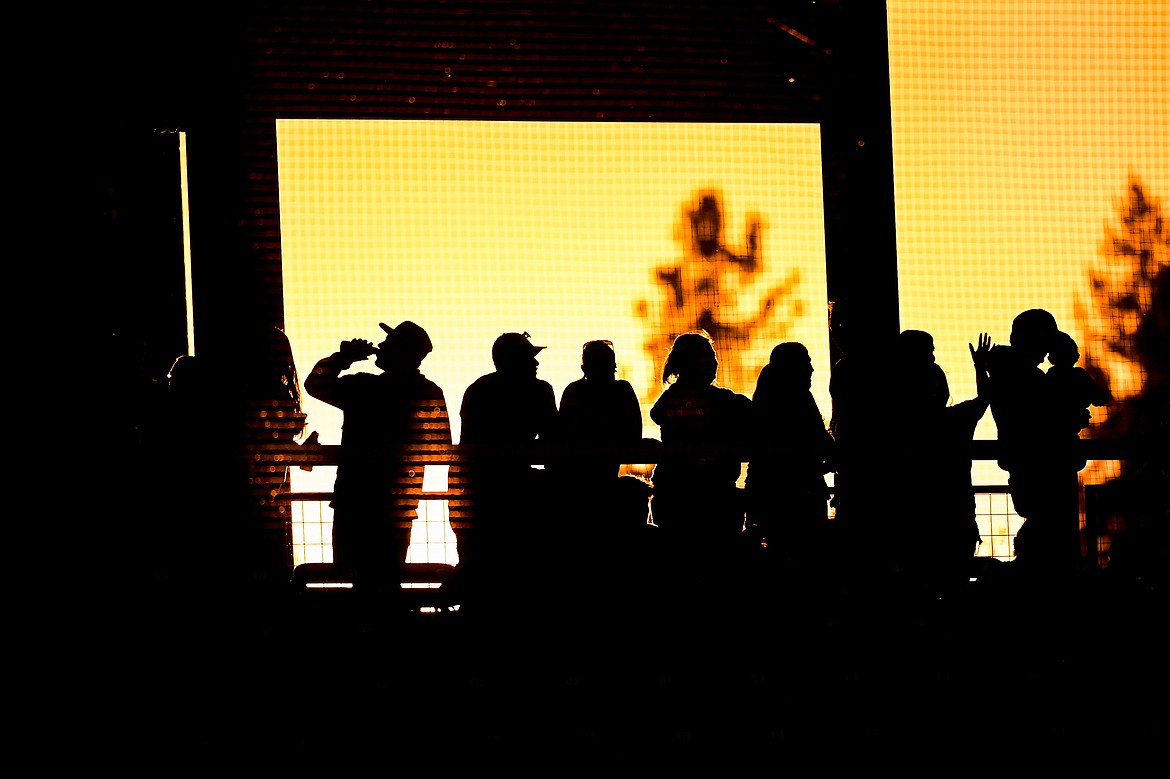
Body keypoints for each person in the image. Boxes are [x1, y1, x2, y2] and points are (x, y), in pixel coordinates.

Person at [303, 321, 451, 612]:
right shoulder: (428, 392)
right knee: (385, 578)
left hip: (354, 501)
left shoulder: (363, 387)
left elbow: (315, 384)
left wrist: (343, 357)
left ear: (402, 352)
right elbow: (441, 446)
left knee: (358, 579)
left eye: (389, 343)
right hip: (397, 506)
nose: (380, 347)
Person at [456, 331, 558, 616]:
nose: (535, 364)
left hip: (481, 491)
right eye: (529, 358)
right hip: (506, 492)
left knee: (485, 566)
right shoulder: (539, 391)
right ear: (514, 361)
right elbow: (553, 437)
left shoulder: (479, 389)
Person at [649, 331, 753, 600]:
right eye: (707, 357)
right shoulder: (725, 401)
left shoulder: (669, 401)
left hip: (675, 496)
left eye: (713, 356)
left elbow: (657, 413)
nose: (714, 362)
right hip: (711, 500)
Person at [547, 339, 645, 621]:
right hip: (590, 486)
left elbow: (562, 434)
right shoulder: (619, 392)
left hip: (576, 490)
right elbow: (633, 436)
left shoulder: (575, 392)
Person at [986, 309, 1080, 574]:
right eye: (1046, 343)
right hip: (1040, 469)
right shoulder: (1026, 379)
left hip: (1026, 467)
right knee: (1050, 531)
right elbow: (1042, 423)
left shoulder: (1010, 373)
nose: (1048, 353)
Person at [745, 342, 835, 592]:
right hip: (800, 494)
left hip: (769, 493)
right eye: (806, 362)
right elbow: (821, 441)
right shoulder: (798, 398)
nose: (812, 369)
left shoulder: (765, 400)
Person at [1045, 330, 1111, 472]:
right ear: (1074, 355)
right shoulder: (1080, 375)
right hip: (1069, 439)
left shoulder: (1051, 376)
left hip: (1051, 442)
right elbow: (1100, 399)